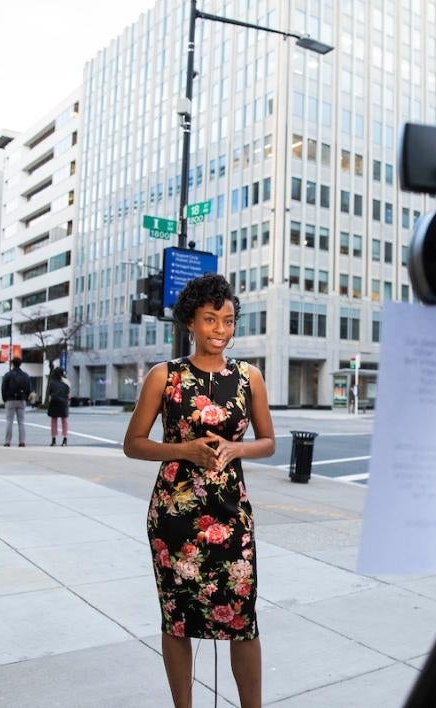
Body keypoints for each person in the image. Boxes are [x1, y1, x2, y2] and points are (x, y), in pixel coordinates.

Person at [123, 273, 274, 708]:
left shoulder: (249, 377)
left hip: (232, 515)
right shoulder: (163, 376)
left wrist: (237, 447)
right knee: (177, 619)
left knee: (242, 620)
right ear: (191, 321)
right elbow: (134, 444)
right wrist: (184, 450)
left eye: (228, 321)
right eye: (211, 320)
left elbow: (268, 441)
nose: (220, 331)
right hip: (174, 515)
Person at [1, 357, 31, 447]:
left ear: (12, 364)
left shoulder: (8, 375)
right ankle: (22, 441)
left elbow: (3, 388)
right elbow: (29, 388)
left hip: (10, 400)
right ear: (20, 364)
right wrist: (25, 397)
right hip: (21, 400)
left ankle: (7, 441)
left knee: (9, 421)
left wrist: (5, 398)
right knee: (21, 422)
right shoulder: (25, 375)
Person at [46, 367, 71, 446]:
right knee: (64, 421)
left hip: (54, 402)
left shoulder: (52, 382)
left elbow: (49, 394)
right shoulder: (66, 383)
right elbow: (69, 395)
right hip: (64, 403)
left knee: (54, 420)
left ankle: (54, 439)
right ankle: (65, 439)